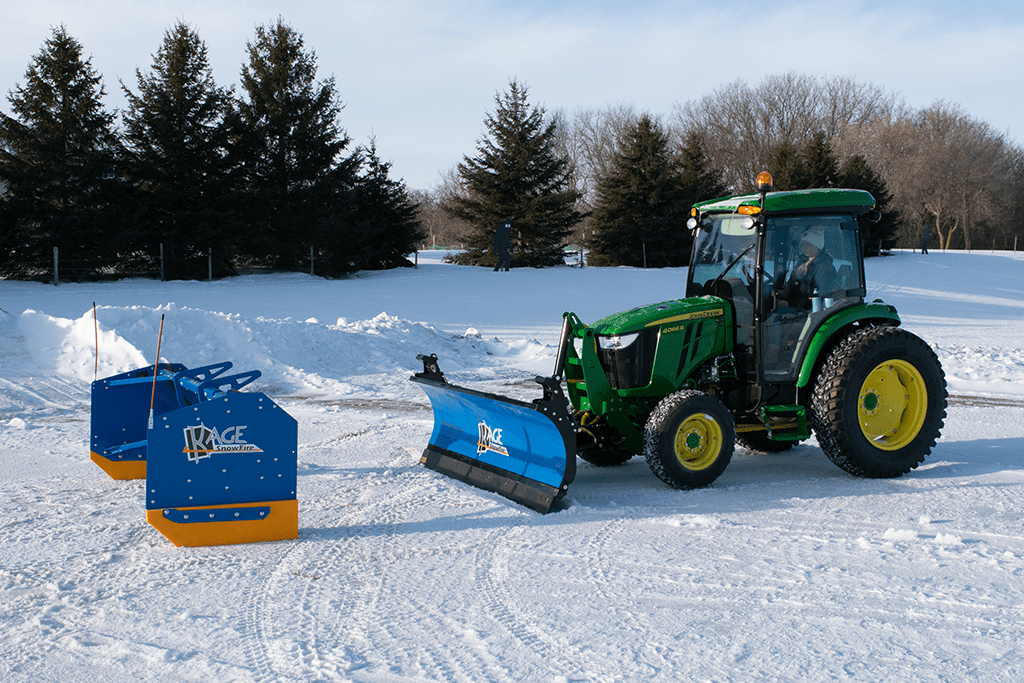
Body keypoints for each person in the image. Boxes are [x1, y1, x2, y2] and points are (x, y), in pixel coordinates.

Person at [779, 227, 836, 305]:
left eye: (808, 244)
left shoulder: (825, 268)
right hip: (796, 307)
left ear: (817, 246)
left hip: (810, 311)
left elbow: (818, 299)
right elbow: (791, 285)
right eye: (803, 244)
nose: (805, 247)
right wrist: (780, 297)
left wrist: (789, 303)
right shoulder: (801, 263)